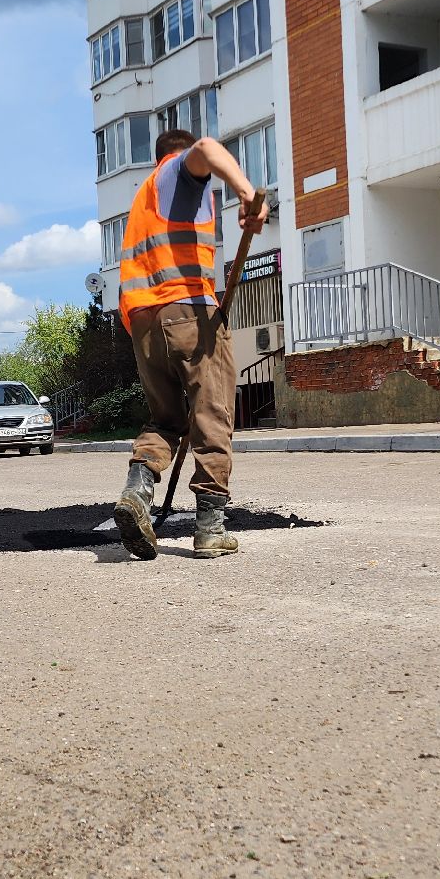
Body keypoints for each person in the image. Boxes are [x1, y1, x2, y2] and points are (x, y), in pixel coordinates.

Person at [111, 129, 268, 561]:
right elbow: (205, 149)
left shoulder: (144, 199)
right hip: (188, 315)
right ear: (175, 158)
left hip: (143, 324)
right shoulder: (179, 174)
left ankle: (137, 493)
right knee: (212, 414)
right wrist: (247, 194)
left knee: (166, 419)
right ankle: (210, 528)